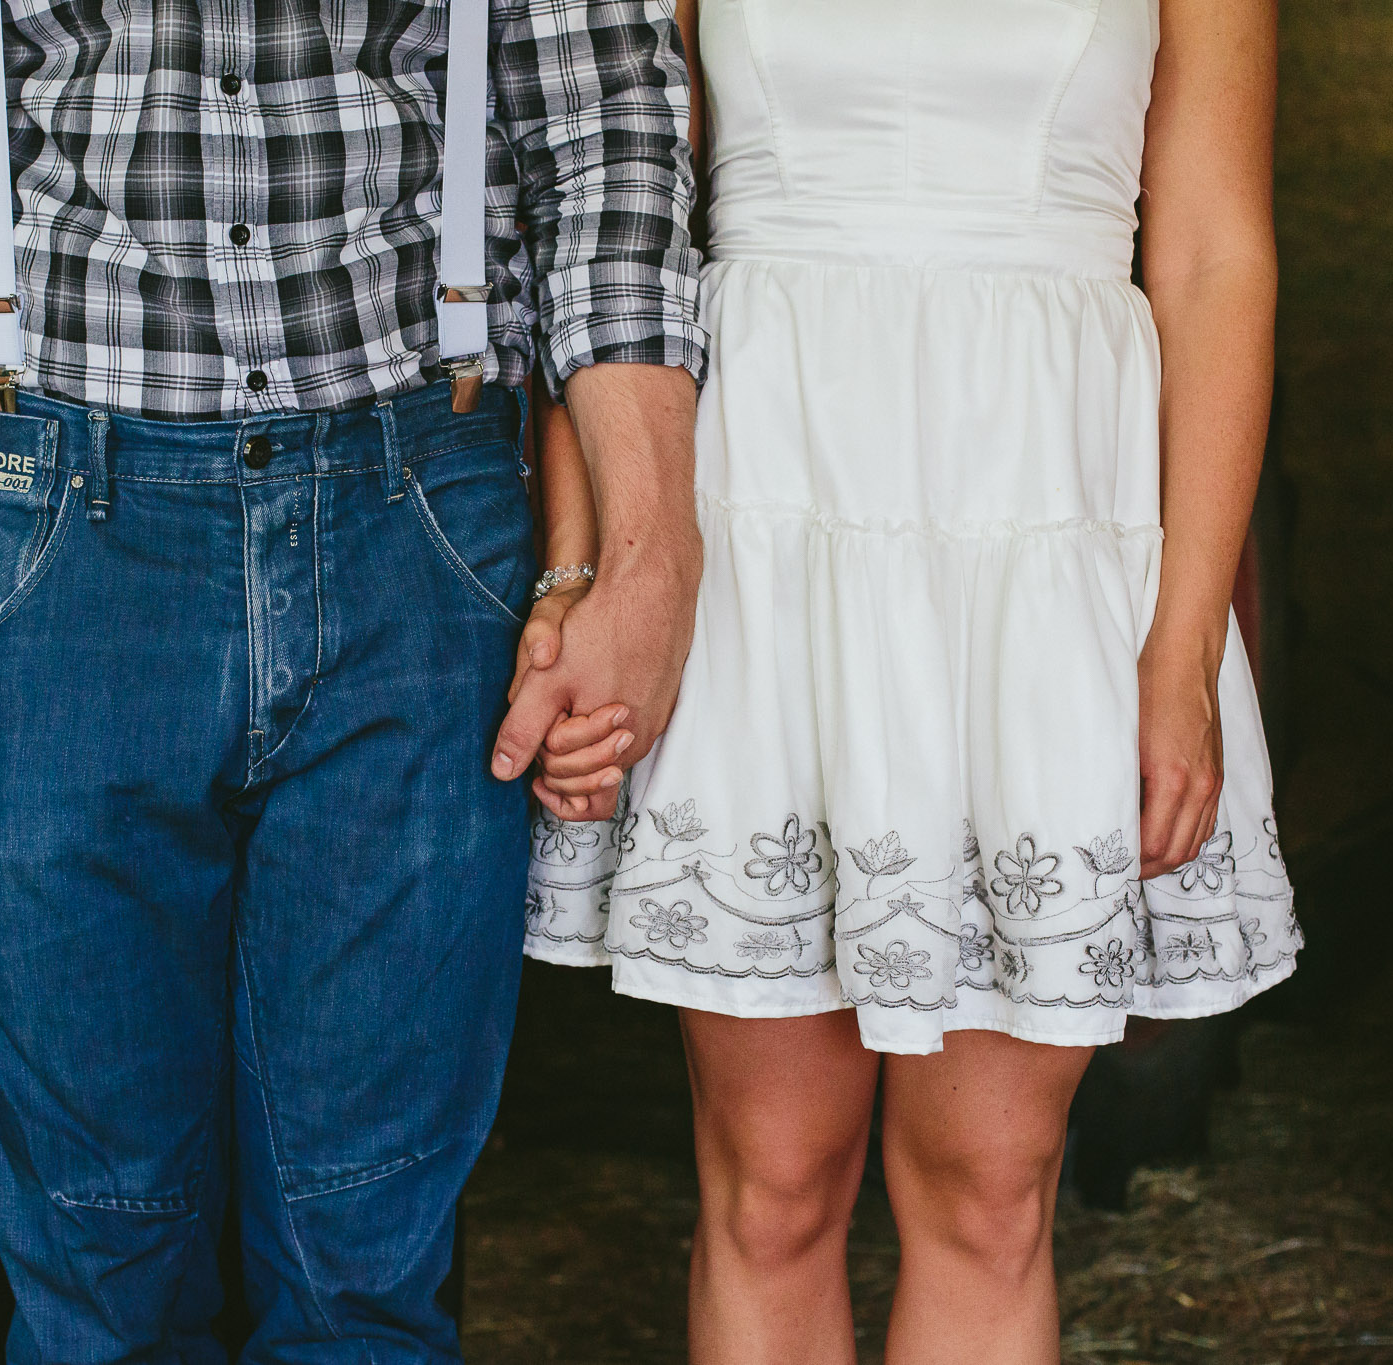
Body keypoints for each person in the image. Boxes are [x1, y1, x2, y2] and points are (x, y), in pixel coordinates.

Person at [0, 0, 705, 1357]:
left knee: (362, 1263)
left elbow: (605, 125)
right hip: (52, 516)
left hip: (421, 506)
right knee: (98, 1266)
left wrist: (651, 557)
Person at [516, 0, 1302, 1360]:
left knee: (993, 1194)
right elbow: (611, 221)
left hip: (1047, 540)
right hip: (767, 517)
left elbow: (1216, 255)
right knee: (771, 1188)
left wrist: (1179, 651)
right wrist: (584, 568)